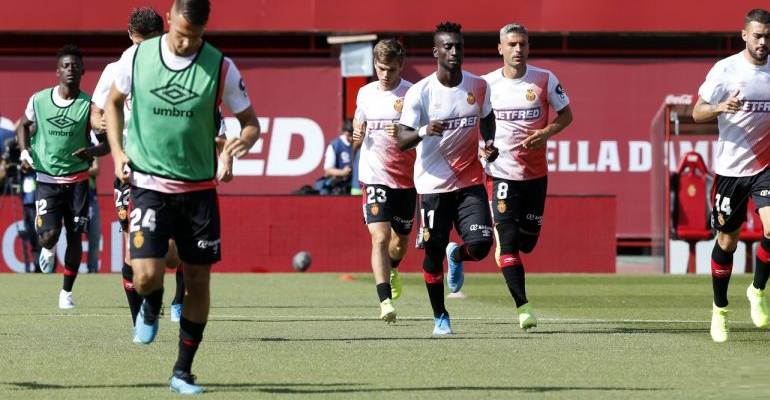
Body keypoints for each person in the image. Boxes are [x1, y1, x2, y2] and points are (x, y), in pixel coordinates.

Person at [105, 0, 259, 394]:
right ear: (168, 20)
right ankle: (151, 305)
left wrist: (230, 150)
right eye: (180, 34)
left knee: (197, 280)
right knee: (145, 275)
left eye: (195, 36)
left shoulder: (220, 66)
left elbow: (250, 125)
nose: (187, 43)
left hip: (199, 192)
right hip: (148, 186)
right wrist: (119, 154)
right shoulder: (137, 58)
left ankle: (183, 371)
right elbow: (113, 103)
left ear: (204, 29)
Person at [91, 6, 192, 326]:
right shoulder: (117, 68)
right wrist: (104, 128)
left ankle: (172, 296)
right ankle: (141, 319)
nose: (142, 50)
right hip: (130, 170)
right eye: (139, 44)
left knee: (173, 253)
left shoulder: (175, 67)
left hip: (168, 168)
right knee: (130, 249)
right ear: (131, 37)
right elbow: (95, 112)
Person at [397, 22, 498, 335]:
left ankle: (460, 254)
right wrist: (426, 130)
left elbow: (488, 117)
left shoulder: (478, 86)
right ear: (436, 52)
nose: (454, 52)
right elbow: (401, 139)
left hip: (470, 182)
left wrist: (489, 144)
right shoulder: (421, 92)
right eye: (448, 47)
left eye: (459, 46)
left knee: (481, 246)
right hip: (432, 186)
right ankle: (440, 316)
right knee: (433, 253)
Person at [481, 23, 573, 331]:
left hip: (535, 174)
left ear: (528, 47)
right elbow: (474, 126)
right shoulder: (485, 85)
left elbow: (566, 115)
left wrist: (545, 132)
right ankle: (524, 307)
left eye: (523, 44)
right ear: (500, 49)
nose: (518, 49)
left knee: (528, 244)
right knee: (508, 245)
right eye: (512, 44)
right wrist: (484, 149)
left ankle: (476, 249)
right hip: (501, 173)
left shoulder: (545, 79)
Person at [692, 9, 770, 343]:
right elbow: (696, 112)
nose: (763, 42)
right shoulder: (726, 69)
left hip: (765, 167)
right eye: (757, 36)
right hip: (731, 171)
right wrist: (720, 108)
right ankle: (720, 309)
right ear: (744, 35)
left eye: (767, 36)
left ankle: (757, 290)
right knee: (727, 242)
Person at [16, 44, 108, 308]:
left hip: (78, 182)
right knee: (50, 236)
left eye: (75, 66)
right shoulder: (39, 99)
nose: (71, 69)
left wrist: (91, 150)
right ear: (57, 71)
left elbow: (106, 144)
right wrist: (24, 153)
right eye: (66, 66)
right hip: (47, 179)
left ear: (83, 71)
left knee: (76, 236)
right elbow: (23, 125)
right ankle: (47, 246)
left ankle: (66, 292)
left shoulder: (89, 106)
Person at [351, 38, 415, 323]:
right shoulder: (364, 93)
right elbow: (358, 123)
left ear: (400, 65)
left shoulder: (414, 94)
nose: (385, 74)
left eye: (390, 69)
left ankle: (393, 268)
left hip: (407, 179)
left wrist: (404, 134)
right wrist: (357, 134)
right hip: (374, 175)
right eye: (380, 68)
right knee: (380, 237)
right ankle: (385, 301)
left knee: (400, 242)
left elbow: (425, 138)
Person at [318, 120, 353, 195]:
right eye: (349, 135)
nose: (351, 138)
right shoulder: (335, 145)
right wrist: (343, 172)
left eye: (353, 135)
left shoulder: (359, 143)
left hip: (354, 184)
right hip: (337, 184)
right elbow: (328, 170)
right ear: (343, 132)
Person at [86, 156, 101, 273]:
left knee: (95, 236)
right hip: (75, 199)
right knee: (73, 236)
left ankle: (93, 268)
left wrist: (78, 170)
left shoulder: (92, 148)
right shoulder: (70, 146)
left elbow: (96, 169)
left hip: (91, 199)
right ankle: (71, 268)